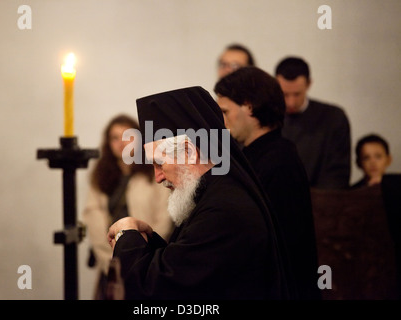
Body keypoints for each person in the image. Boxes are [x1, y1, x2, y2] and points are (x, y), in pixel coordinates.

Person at [106, 86, 293, 300]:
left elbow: (161, 289)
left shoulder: (224, 210)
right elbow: (189, 266)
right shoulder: (214, 193)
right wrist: (148, 241)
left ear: (188, 152)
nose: (158, 177)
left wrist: (126, 235)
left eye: (160, 164)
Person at [214, 66, 321, 300]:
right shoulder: (258, 156)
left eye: (225, 111)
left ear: (249, 106)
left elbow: (275, 243)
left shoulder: (278, 161)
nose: (221, 121)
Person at [82, 114, 173, 298]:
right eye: (115, 138)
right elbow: (93, 218)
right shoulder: (101, 175)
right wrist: (113, 263)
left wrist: (143, 258)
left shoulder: (153, 171)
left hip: (149, 261)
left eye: (127, 136)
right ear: (108, 143)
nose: (121, 143)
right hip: (111, 262)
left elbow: (164, 218)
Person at [275, 56, 351, 189]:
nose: (290, 102)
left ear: (309, 84)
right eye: (285, 94)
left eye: (297, 94)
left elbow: (338, 172)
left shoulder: (333, 118)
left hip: (322, 203)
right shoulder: (266, 118)